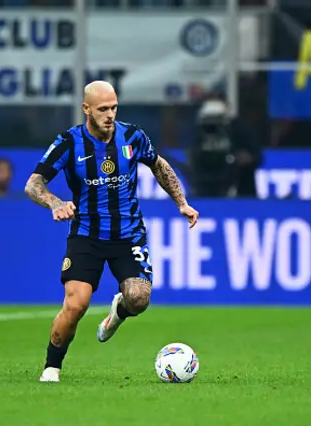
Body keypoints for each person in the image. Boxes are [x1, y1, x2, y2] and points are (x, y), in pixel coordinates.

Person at [24, 80, 199, 383]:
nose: (110, 115)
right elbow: (34, 183)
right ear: (86, 109)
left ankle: (118, 311)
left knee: (138, 299)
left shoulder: (132, 136)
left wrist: (181, 202)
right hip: (87, 235)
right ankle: (52, 368)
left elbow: (158, 165)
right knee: (76, 304)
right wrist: (54, 202)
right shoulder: (69, 142)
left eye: (114, 107)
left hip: (128, 234)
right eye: (103, 109)